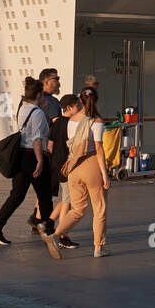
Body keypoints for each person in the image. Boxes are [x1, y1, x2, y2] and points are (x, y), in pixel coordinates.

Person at [0, 77, 55, 248]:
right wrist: (40, 161)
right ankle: (48, 230)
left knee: (16, 196)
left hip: (21, 156)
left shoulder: (23, 108)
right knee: (45, 196)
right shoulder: (38, 112)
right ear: (40, 94)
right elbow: (38, 139)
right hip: (33, 156)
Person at [51, 88, 111, 258]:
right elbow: (98, 148)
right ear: (96, 101)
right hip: (91, 165)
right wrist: (105, 175)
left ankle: (56, 234)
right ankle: (99, 247)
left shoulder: (71, 120)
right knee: (99, 208)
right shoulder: (96, 121)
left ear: (79, 101)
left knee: (77, 209)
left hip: (73, 168)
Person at [27, 68, 63, 236]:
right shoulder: (53, 103)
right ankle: (42, 222)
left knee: (42, 188)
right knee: (48, 190)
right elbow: (57, 126)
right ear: (47, 82)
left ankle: (36, 217)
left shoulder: (33, 101)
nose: (58, 82)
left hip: (34, 149)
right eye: (56, 79)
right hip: (50, 151)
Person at [47, 94, 83, 243]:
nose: (79, 108)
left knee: (66, 198)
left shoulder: (56, 122)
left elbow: (50, 144)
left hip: (55, 164)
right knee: (69, 201)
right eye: (77, 106)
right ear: (69, 108)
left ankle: (48, 222)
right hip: (66, 166)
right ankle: (62, 235)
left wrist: (55, 158)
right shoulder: (71, 124)